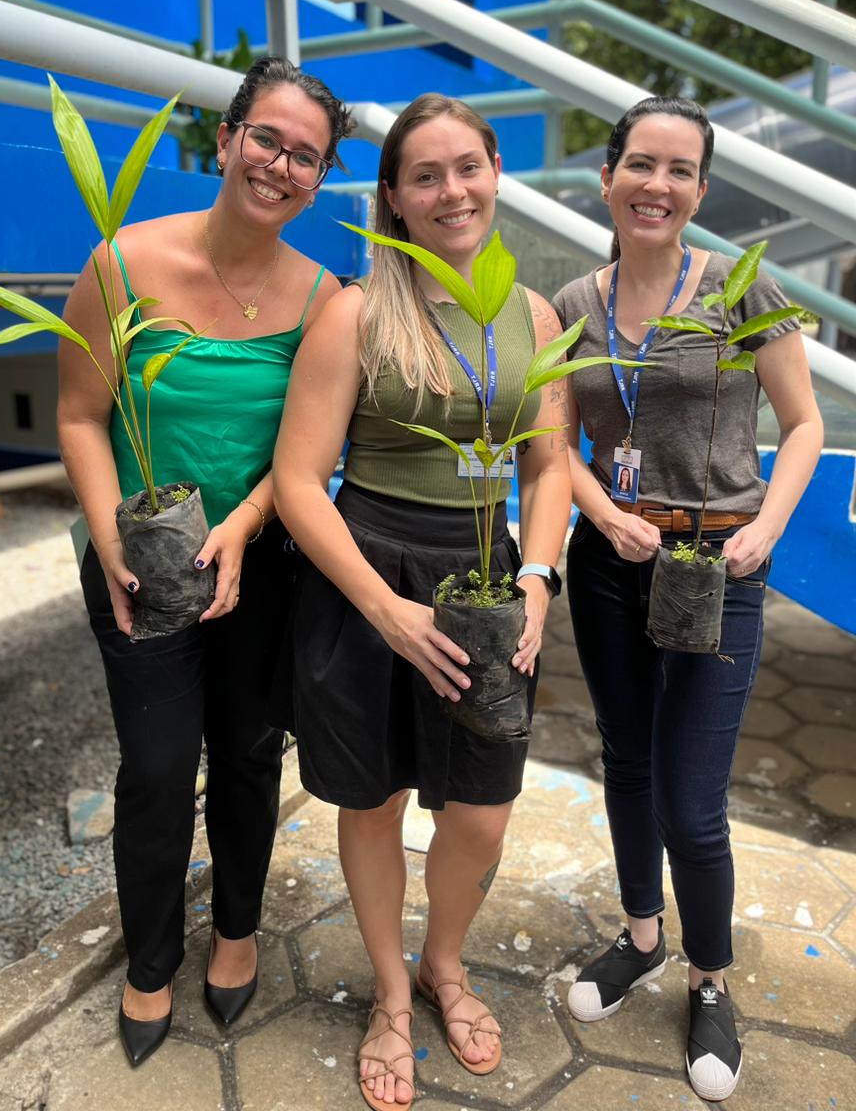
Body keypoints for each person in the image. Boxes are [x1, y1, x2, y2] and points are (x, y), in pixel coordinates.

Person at [273, 95, 571, 1109]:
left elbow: (550, 462)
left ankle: (446, 960)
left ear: (496, 173)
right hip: (370, 572)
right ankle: (391, 995)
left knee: (483, 809)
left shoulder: (531, 317)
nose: (452, 191)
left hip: (490, 575)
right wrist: (387, 611)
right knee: (372, 794)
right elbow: (301, 479)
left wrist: (539, 575)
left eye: (467, 168)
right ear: (393, 199)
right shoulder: (356, 312)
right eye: (426, 176)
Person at [57, 57, 352, 1065]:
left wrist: (249, 519)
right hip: (139, 555)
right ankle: (149, 961)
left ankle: (234, 933)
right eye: (266, 138)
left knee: (247, 751)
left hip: (264, 560)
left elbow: (310, 447)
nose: (280, 163)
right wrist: (109, 545)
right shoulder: (121, 263)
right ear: (224, 141)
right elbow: (80, 414)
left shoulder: (324, 295)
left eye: (305, 155)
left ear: (319, 179)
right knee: (152, 765)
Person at [552, 96, 822, 1101]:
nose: (657, 184)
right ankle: (641, 934)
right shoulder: (574, 300)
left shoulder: (745, 290)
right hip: (613, 564)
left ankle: (711, 978)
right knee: (624, 760)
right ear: (610, 175)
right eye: (640, 163)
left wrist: (764, 529)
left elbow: (801, 423)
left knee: (693, 800)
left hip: (721, 567)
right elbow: (554, 447)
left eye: (679, 169)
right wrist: (596, 509)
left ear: (700, 190)